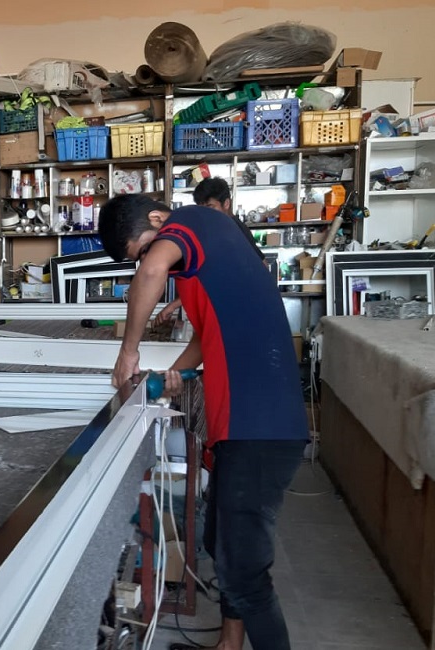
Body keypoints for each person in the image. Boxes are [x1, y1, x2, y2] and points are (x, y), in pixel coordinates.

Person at [98, 194, 307, 650]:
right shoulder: (205, 260)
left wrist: (128, 351)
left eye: (143, 250)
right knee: (221, 542)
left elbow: (150, 273)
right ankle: (229, 644)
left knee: (245, 572)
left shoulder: (193, 221)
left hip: (260, 427)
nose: (149, 263)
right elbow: (206, 339)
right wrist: (169, 378)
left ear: (159, 219)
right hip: (246, 426)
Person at [155, 177, 265, 325]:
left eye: (210, 207)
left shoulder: (234, 232)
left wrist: (174, 304)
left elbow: (258, 269)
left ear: (226, 203)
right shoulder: (220, 229)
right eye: (202, 209)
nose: (205, 214)